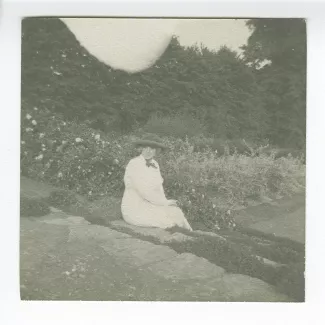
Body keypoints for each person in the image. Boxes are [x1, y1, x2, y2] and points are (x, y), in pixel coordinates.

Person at [121, 134, 193, 231]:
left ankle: (191, 235)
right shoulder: (134, 164)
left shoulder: (155, 164)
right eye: (146, 147)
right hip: (135, 207)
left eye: (152, 148)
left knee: (176, 212)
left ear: (156, 151)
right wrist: (164, 202)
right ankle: (180, 237)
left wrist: (165, 203)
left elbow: (159, 188)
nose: (148, 151)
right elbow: (144, 191)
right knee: (167, 221)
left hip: (151, 204)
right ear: (141, 148)